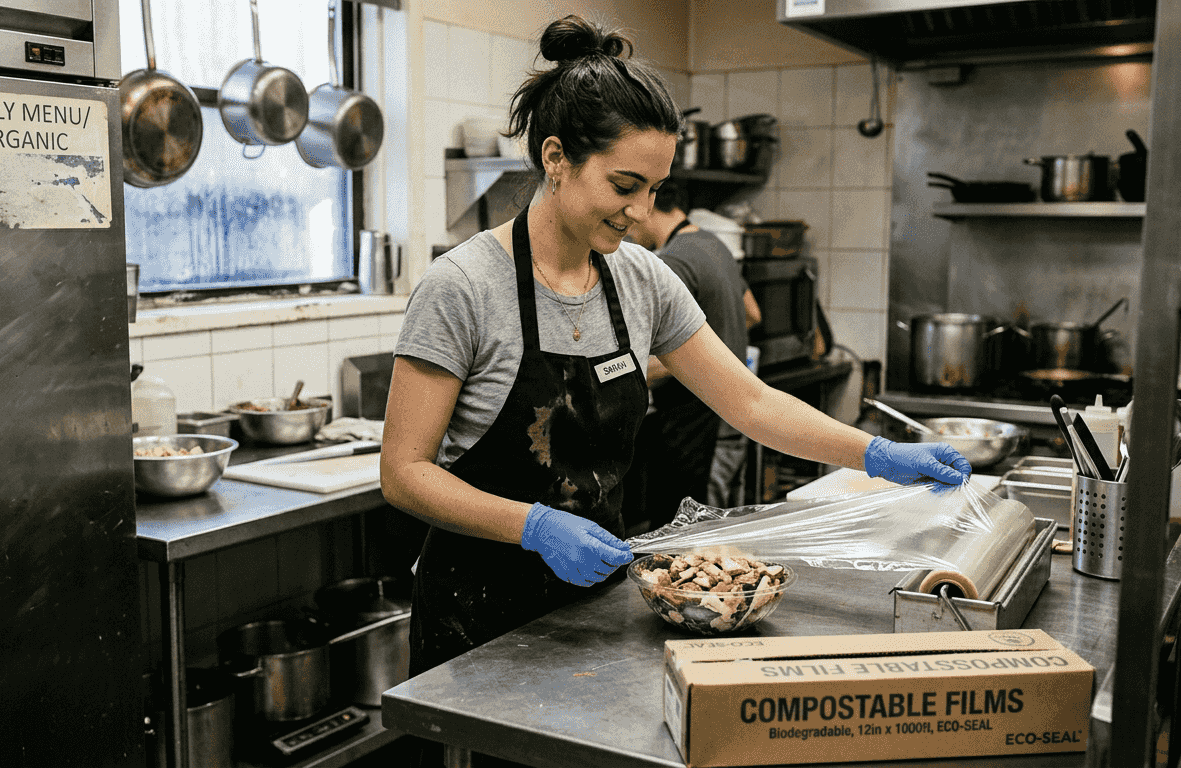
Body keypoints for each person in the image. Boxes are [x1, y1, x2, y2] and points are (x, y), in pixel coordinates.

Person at [381, 15, 970, 691]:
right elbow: (403, 472)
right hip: (474, 620)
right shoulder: (461, 288)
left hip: (591, 606)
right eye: (625, 185)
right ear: (555, 158)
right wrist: (533, 526)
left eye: (655, 190)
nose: (641, 210)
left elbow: (748, 401)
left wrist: (875, 454)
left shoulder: (642, 278)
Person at [625, 184, 760, 532]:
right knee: (718, 526)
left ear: (649, 205)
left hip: (699, 420)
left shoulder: (673, 260)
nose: (627, 226)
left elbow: (671, 358)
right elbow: (753, 314)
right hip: (732, 415)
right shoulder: (713, 243)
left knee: (687, 533)